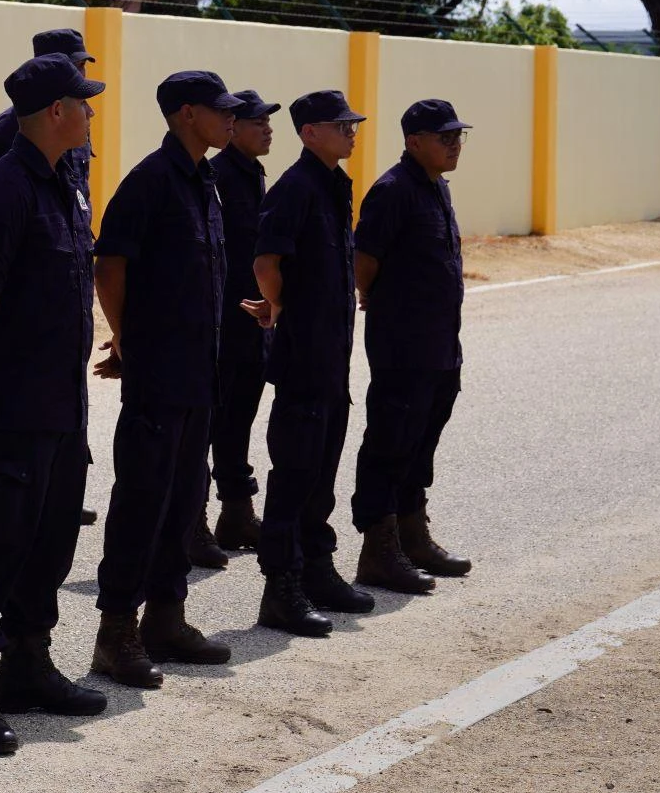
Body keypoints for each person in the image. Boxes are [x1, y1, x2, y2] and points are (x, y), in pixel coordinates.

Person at [0, 53, 110, 755]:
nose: (91, 111)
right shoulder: (5, 188)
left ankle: (27, 663)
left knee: (50, 540)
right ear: (53, 113)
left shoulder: (65, 179)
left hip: (60, 401)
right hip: (12, 400)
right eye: (82, 101)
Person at [89, 69, 237, 687]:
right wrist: (125, 336)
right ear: (184, 114)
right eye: (218, 110)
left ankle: (166, 619)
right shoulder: (152, 180)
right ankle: (116, 631)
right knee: (142, 499)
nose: (230, 119)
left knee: (183, 497)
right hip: (159, 370)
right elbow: (111, 263)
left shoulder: (204, 178)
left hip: (199, 368)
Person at [245, 89, 369, 639]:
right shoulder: (295, 187)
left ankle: (318, 568)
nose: (351, 133)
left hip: (331, 356)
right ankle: (283, 585)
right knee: (294, 472)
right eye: (340, 126)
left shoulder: (334, 185)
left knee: (321, 470)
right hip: (302, 355)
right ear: (309, 132)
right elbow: (265, 260)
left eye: (353, 125)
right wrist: (281, 306)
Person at [351, 98, 476, 594]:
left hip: (440, 342)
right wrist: (374, 299)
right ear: (414, 141)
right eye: (445, 137)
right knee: (390, 438)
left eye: (458, 136)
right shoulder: (392, 191)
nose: (454, 145)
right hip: (403, 343)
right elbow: (365, 261)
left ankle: (411, 534)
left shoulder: (436, 188)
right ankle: (378, 549)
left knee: (422, 439)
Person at [204, 90, 277, 557]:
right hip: (226, 321)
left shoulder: (251, 174)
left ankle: (235, 515)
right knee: (220, 419)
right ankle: (210, 515)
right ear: (234, 128)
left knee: (240, 417)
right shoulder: (220, 176)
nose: (268, 129)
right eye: (258, 122)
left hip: (252, 319)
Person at [0, 26, 97, 198]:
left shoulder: (77, 118)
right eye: (73, 67)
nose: (79, 75)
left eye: (82, 66)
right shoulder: (9, 127)